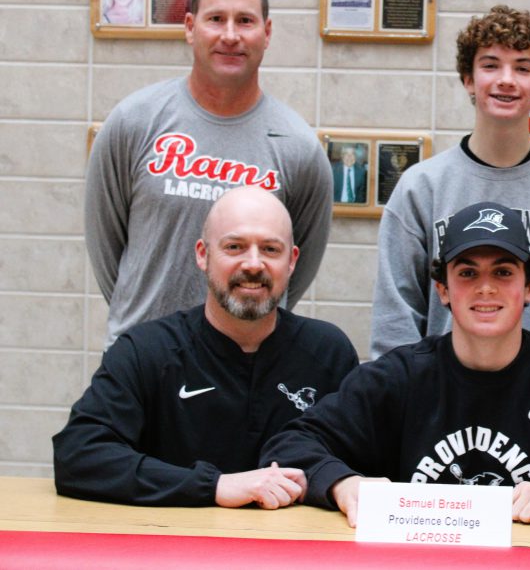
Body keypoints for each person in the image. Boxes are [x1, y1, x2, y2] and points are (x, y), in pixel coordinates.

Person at [261, 201, 530, 526]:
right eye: (467, 273)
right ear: (442, 289)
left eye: (503, 271)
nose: (486, 288)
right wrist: (343, 484)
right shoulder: (398, 378)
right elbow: (290, 445)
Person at [53, 187, 358, 507]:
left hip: (294, 550)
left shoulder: (328, 352)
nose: (253, 264)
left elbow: (363, 459)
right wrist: (214, 486)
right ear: (203, 254)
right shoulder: (147, 351)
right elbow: (79, 455)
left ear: (292, 260)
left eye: (270, 249)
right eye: (234, 247)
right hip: (173, 546)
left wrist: (338, 481)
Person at [86, 0, 333, 349]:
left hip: (247, 363)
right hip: (142, 364)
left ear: (266, 33)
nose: (230, 35)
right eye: (216, 19)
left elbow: (293, 268)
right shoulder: (134, 123)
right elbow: (107, 248)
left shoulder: (298, 146)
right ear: (189, 27)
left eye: (245, 21)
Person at [371, 5, 530, 373]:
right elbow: (397, 314)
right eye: (490, 65)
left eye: (522, 67)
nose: (506, 79)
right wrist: (407, 397)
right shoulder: (421, 187)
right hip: (440, 400)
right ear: (468, 79)